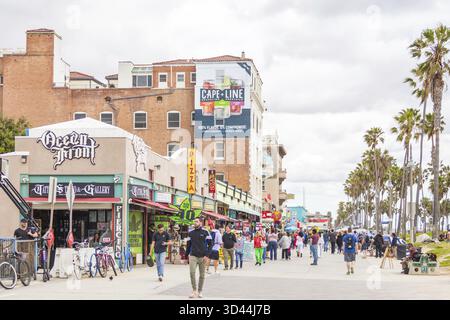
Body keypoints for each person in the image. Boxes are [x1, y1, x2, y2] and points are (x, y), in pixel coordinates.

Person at [186, 218, 212, 299]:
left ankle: (200, 291)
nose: (195, 223)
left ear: (200, 223)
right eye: (194, 221)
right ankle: (194, 290)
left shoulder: (205, 232)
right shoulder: (190, 233)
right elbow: (188, 245)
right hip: (193, 255)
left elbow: (211, 244)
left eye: (196, 221)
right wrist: (186, 256)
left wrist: (207, 255)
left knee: (202, 275)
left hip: (203, 257)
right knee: (192, 272)